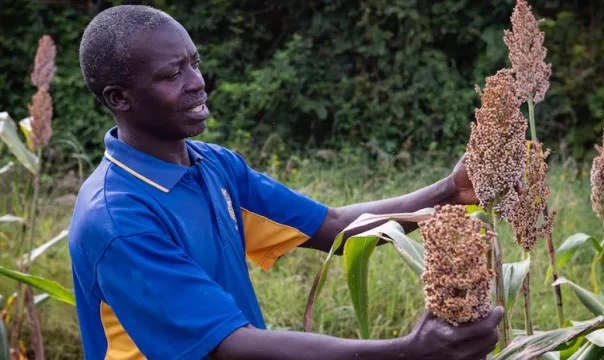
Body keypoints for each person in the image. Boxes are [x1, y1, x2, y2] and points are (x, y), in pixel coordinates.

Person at [69, 4, 503, 360]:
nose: (198, 83)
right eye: (172, 75)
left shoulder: (215, 166)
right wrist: (408, 352)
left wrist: (450, 191)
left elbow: (331, 225)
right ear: (119, 98)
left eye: (194, 64)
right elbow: (225, 345)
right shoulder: (118, 219)